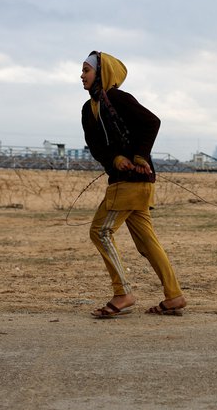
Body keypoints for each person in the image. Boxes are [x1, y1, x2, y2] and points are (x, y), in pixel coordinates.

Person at [80, 51, 187, 318]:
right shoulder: (88, 108)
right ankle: (174, 296)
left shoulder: (117, 98)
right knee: (147, 242)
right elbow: (96, 146)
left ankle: (122, 293)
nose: (81, 75)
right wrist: (115, 159)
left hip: (131, 182)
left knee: (100, 232)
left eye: (86, 70)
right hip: (127, 180)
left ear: (101, 73)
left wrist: (139, 155)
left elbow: (151, 122)